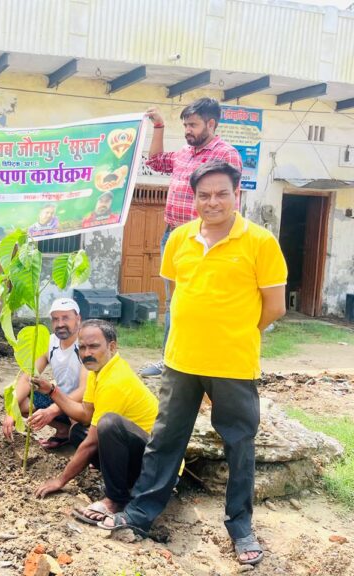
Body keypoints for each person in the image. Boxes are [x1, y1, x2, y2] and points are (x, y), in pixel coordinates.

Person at [96, 161, 287, 568]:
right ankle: (141, 514)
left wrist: (233, 335)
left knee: (238, 445)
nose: (212, 201)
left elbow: (274, 307)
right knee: (166, 439)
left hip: (233, 365)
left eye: (221, 193)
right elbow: (177, 293)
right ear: (193, 197)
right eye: (204, 195)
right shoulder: (180, 238)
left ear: (237, 194)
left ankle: (241, 528)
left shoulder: (260, 241)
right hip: (181, 360)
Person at [140, 97, 243, 377]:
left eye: (193, 125)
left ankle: (201, 361)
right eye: (185, 125)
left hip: (204, 242)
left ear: (211, 123)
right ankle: (170, 360)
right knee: (175, 302)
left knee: (201, 301)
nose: (187, 130)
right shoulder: (184, 153)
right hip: (173, 237)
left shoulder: (226, 155)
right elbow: (155, 161)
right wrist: (159, 126)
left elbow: (231, 201)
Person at [32, 320, 159, 523]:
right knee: (77, 432)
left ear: (112, 346)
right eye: (82, 347)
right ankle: (123, 483)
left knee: (107, 425)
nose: (86, 353)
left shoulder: (116, 380)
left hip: (155, 467)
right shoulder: (97, 370)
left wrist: (61, 480)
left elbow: (92, 442)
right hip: (135, 454)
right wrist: (52, 391)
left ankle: (115, 500)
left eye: (93, 346)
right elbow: (85, 414)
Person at [2, 298, 86, 449]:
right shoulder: (49, 342)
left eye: (66, 318)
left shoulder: (86, 344)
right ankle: (63, 431)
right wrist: (11, 411)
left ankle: (88, 444)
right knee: (22, 400)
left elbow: (84, 390)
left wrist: (51, 411)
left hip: (81, 405)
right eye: (55, 319)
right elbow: (28, 376)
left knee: (80, 435)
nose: (60, 324)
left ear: (78, 319)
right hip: (58, 399)